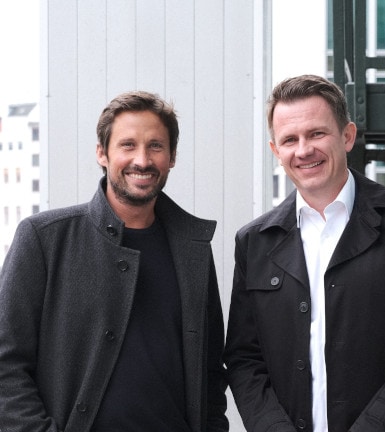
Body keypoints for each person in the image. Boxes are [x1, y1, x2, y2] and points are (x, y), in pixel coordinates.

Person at [224, 74, 385, 431]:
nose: (304, 150)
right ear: (276, 151)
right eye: (290, 139)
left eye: (317, 133)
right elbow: (244, 359)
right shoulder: (254, 242)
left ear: (347, 136)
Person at [0, 91, 228, 431]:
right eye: (127, 145)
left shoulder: (192, 248)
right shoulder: (43, 238)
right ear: (102, 153)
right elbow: (6, 366)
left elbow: (209, 372)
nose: (142, 160)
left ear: (172, 156)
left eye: (155, 146)